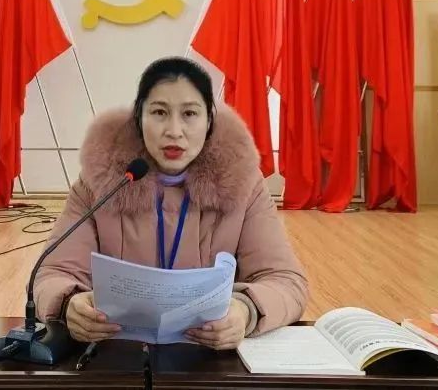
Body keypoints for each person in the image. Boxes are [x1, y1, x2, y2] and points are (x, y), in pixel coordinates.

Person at [34, 57, 308, 350]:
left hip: (209, 357)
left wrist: (246, 311)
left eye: (189, 113)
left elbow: (285, 281)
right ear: (139, 119)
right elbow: (52, 274)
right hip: (116, 354)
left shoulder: (245, 185)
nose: (174, 130)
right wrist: (69, 304)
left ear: (209, 121)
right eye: (159, 112)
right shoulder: (99, 183)